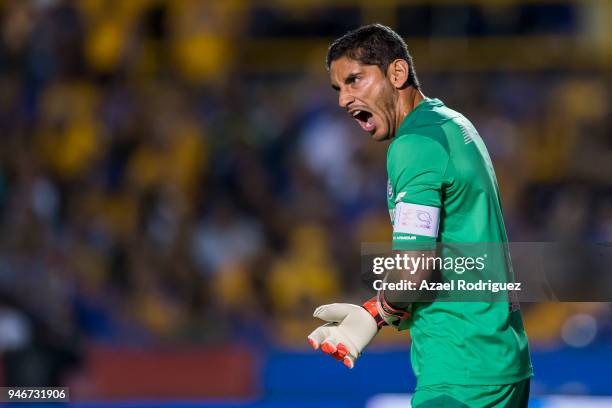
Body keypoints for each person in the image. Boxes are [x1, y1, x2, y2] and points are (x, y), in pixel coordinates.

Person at [307, 24, 533, 407]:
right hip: (501, 360)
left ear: (397, 73)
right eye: (338, 89)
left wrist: (377, 313)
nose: (345, 99)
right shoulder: (453, 124)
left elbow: (415, 266)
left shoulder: (414, 145)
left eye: (354, 80)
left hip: (459, 372)